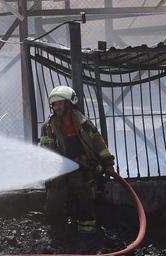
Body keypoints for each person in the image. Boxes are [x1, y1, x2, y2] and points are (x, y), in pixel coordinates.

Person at [39, 85, 116, 235]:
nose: (57, 107)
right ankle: (57, 229)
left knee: (83, 189)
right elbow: (47, 151)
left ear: (69, 104)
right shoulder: (48, 127)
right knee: (55, 194)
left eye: (60, 103)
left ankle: (87, 231)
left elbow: (98, 143)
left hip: (83, 167)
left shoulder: (83, 122)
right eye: (55, 104)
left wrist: (108, 163)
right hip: (59, 169)